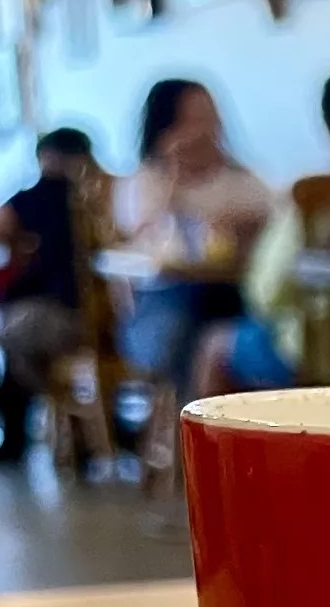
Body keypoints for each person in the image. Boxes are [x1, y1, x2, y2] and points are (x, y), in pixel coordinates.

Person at [196, 75, 330, 398]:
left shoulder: (312, 195)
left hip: (314, 349)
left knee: (215, 344)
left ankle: (214, 446)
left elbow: (268, 292)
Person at [115, 79, 275, 396]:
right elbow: (145, 234)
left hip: (233, 293)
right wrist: (174, 177)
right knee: (186, 332)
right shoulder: (145, 181)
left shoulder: (239, 178)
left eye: (210, 118)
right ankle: (190, 427)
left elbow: (271, 217)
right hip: (162, 306)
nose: (205, 131)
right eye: (192, 121)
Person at [0, 127, 102, 468]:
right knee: (17, 337)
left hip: (62, 313)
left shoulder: (39, 196)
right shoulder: (106, 194)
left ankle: (56, 422)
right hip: (110, 316)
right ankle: (85, 424)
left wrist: (22, 244)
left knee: (11, 335)